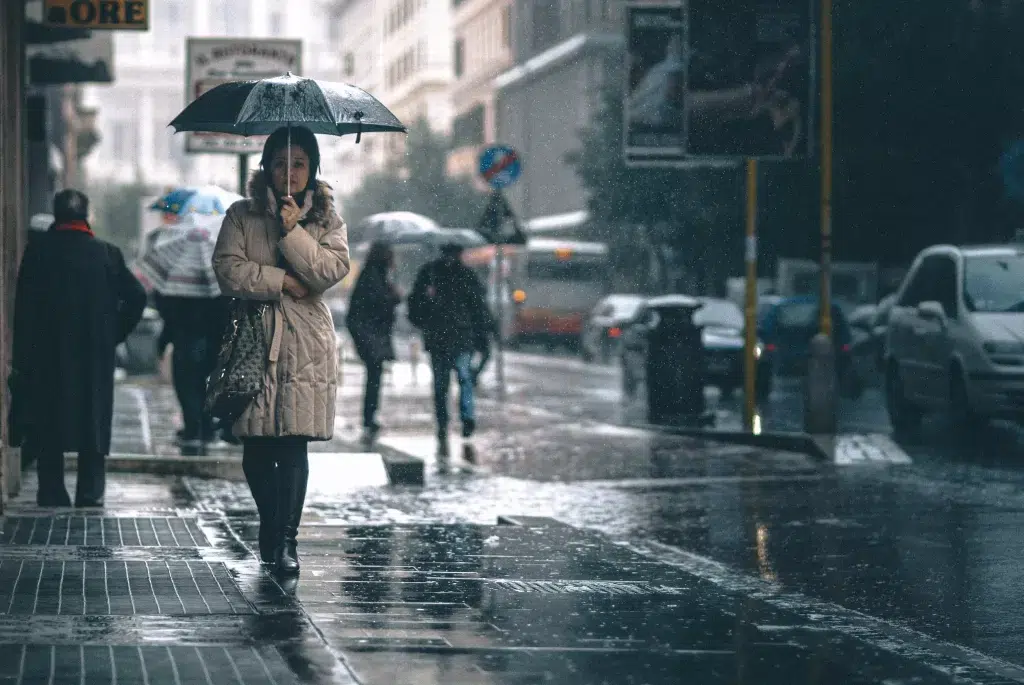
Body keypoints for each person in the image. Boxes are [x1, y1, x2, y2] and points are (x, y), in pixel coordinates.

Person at [212, 125, 350, 574]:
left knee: (293, 444)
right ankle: (270, 524)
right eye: (280, 163)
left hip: (305, 342)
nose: (288, 173)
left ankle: (286, 542)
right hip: (254, 338)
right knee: (255, 445)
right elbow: (228, 269)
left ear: (311, 169)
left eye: (298, 164)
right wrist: (280, 281)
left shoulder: (327, 218)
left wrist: (294, 232)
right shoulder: (241, 215)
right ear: (266, 168)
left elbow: (331, 270)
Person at [11, 189, 147, 507]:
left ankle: (52, 491)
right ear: (86, 216)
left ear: (56, 215)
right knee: (93, 420)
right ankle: (90, 492)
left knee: (49, 419)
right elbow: (137, 296)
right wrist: (113, 332)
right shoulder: (107, 254)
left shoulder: (38, 251)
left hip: (48, 354)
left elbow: (23, 309)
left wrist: (23, 354)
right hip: (94, 355)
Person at [407, 243, 493, 456]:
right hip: (452, 337)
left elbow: (478, 307)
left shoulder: (436, 273)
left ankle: (454, 420)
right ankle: (455, 420)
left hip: (450, 338)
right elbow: (479, 308)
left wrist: (425, 319)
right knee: (455, 381)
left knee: (450, 382)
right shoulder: (438, 274)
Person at [154, 293, 229, 446]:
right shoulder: (217, 288)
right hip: (211, 344)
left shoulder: (179, 289)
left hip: (185, 345)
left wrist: (162, 342)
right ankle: (206, 429)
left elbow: (169, 318)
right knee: (207, 387)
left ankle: (193, 429)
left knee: (187, 389)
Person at [345, 241, 401, 446]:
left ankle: (370, 417)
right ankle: (369, 418)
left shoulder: (374, 276)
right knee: (374, 377)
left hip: (372, 336)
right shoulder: (373, 278)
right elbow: (378, 304)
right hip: (371, 337)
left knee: (374, 377)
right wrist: (394, 296)